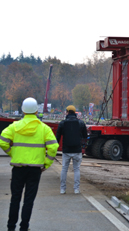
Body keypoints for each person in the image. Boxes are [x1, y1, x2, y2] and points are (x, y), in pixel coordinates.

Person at [0, 97, 59, 231]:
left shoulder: (14, 126)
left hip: (18, 168)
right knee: (29, 200)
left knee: (15, 198)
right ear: (37, 111)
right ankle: (24, 227)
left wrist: (12, 153)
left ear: (23, 110)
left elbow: (2, 141)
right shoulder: (44, 128)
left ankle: (10, 227)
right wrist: (46, 163)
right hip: (35, 170)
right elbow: (53, 147)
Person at [56, 105, 87, 194]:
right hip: (77, 150)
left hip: (66, 150)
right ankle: (76, 189)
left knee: (64, 169)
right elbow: (85, 136)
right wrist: (84, 146)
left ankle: (62, 189)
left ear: (67, 112)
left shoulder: (62, 123)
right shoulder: (81, 123)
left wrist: (54, 148)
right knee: (76, 169)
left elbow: (57, 137)